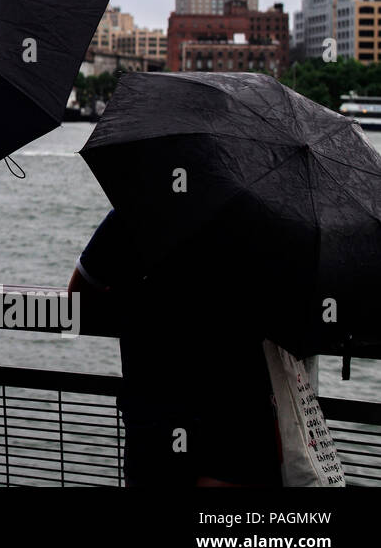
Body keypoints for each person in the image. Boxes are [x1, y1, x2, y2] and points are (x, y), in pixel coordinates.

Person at [68, 209, 281, 487]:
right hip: (237, 416)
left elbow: (77, 297)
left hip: (154, 417)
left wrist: (128, 295)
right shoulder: (260, 220)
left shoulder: (136, 213)